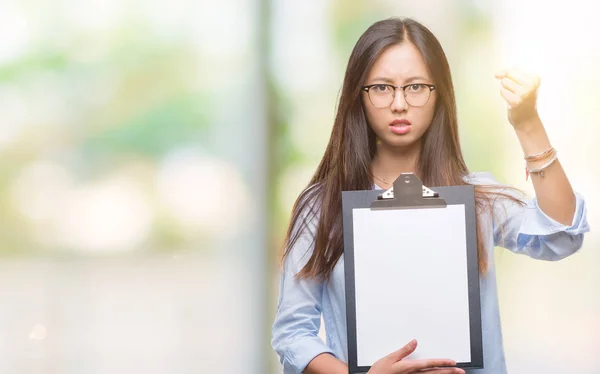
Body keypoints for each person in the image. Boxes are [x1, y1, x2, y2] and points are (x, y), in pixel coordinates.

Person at [271, 17, 589, 374]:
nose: (399, 104)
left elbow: (563, 233)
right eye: (381, 87)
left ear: (440, 95)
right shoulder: (322, 206)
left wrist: (527, 122)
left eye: (416, 87)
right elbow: (293, 333)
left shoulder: (477, 198)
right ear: (357, 96)